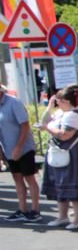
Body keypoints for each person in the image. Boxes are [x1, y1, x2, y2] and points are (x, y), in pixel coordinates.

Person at [39, 85, 78, 230]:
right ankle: (62, 216)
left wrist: (48, 128)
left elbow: (64, 135)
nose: (57, 103)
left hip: (74, 154)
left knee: (75, 187)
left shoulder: (73, 115)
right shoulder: (62, 113)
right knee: (60, 186)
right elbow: (44, 120)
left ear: (66, 101)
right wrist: (49, 108)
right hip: (61, 153)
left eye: (59, 100)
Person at [0, 85, 42, 222]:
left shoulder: (14, 102)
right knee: (17, 178)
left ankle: (35, 210)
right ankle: (22, 209)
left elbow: (25, 125)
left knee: (29, 178)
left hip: (24, 148)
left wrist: (19, 147)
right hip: (9, 149)